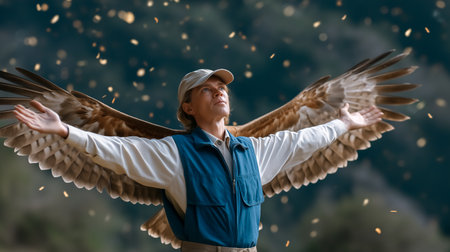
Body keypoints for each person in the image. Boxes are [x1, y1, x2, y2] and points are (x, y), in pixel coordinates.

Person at [13, 68, 383, 252]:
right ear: (188, 107)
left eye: (221, 87)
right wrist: (64, 130)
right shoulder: (172, 152)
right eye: (207, 89)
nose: (219, 91)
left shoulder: (253, 150)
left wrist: (344, 122)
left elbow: (304, 140)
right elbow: (118, 151)